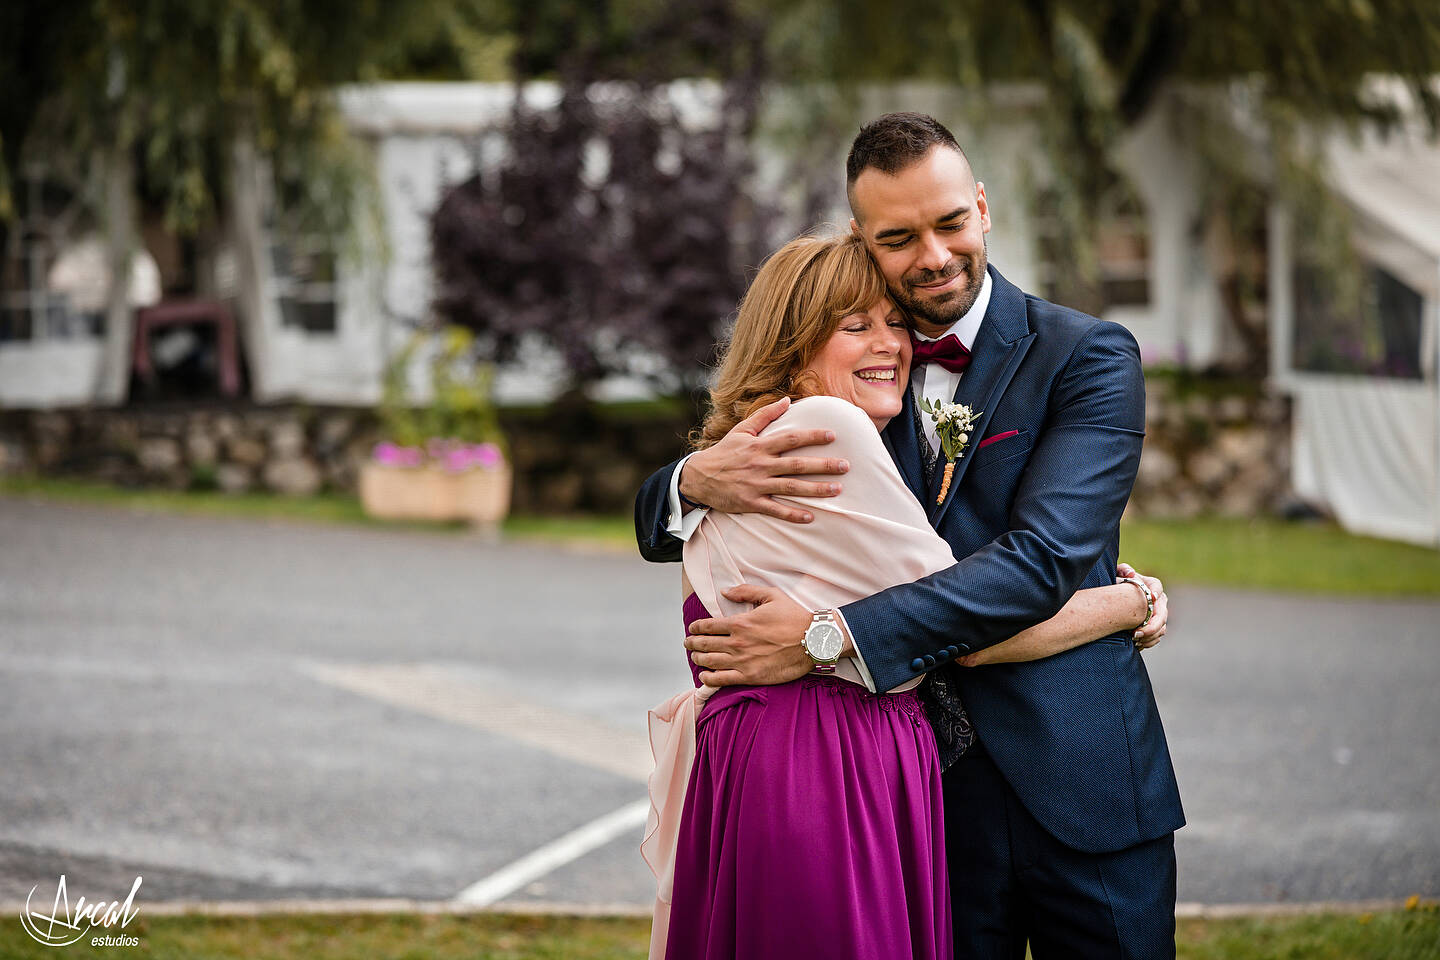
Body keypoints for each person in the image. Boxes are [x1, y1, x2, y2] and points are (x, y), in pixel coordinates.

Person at [635, 113, 1184, 958]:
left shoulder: (1088, 357)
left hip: (1084, 779)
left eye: (950, 223)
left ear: (983, 209)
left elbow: (1042, 561)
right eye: (899, 237)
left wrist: (827, 637)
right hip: (921, 798)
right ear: (865, 240)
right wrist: (688, 480)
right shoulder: (849, 388)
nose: (931, 255)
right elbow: (697, 513)